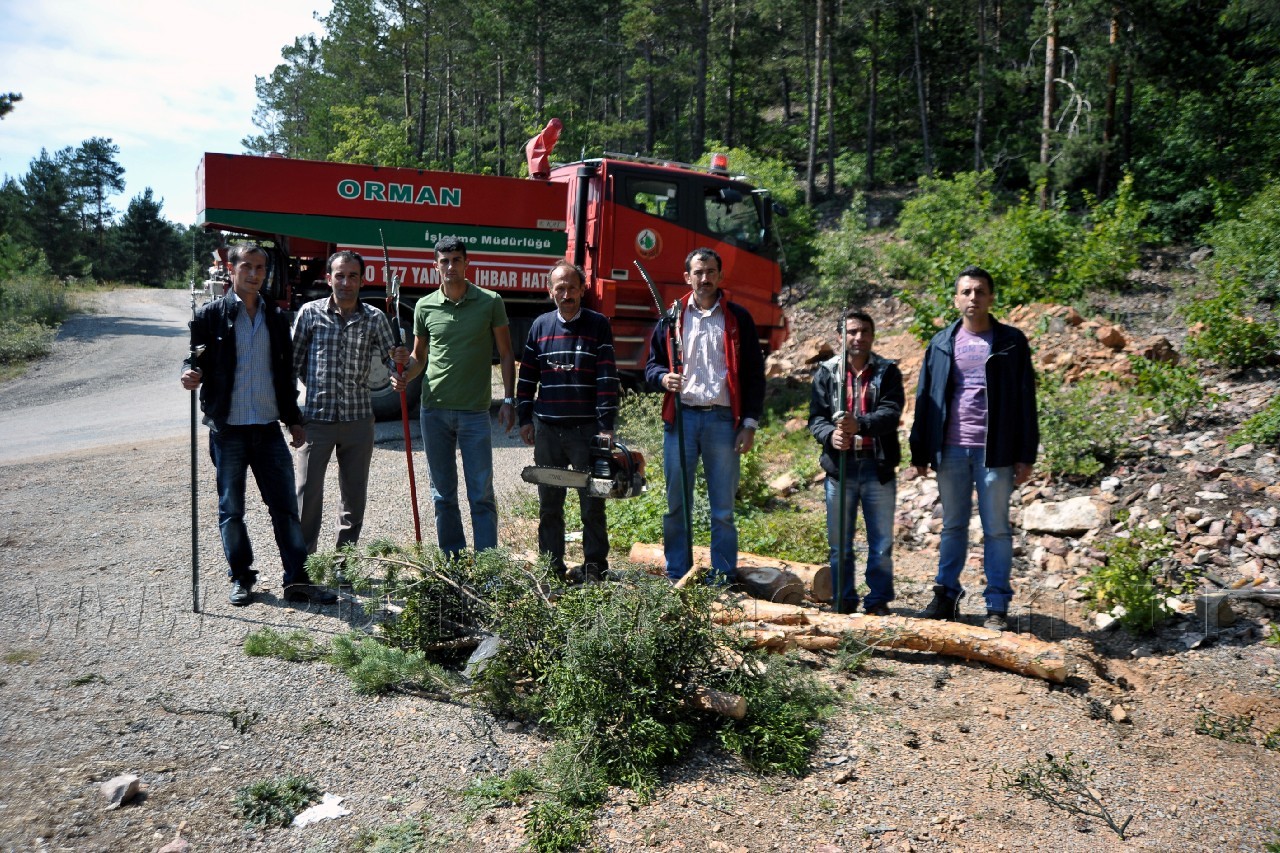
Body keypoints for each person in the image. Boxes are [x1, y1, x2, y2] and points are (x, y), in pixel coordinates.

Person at [180, 244, 337, 607]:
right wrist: (190, 374)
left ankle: (298, 580)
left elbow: (284, 375)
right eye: (247, 267)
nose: (254, 274)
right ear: (231, 271)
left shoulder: (277, 319)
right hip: (228, 430)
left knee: (284, 507)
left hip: (268, 430)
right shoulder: (210, 317)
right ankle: (242, 578)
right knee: (231, 510)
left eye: (261, 268)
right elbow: (195, 359)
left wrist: (293, 420)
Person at [909, 266, 1038, 632]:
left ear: (991, 297)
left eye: (979, 292)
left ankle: (996, 605)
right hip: (950, 449)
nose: (973, 298)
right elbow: (925, 399)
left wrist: (1025, 454)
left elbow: (1026, 400)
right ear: (956, 298)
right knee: (952, 526)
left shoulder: (1011, 342)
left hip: (994, 451)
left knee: (996, 529)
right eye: (966, 292)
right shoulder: (940, 343)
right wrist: (920, 450)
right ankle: (946, 596)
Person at [644, 247, 765, 583]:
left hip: (723, 422)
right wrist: (662, 378)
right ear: (688, 277)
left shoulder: (737, 318)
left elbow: (755, 374)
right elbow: (650, 365)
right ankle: (678, 573)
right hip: (681, 420)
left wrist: (750, 424)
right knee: (676, 505)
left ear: (720, 275)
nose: (705, 278)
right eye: (698, 272)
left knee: (723, 509)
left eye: (711, 271)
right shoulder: (673, 318)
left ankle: (723, 575)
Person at [392, 237, 516, 556]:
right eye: (444, 261)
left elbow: (505, 353)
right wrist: (405, 373)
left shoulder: (491, 301)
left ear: (467, 263)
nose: (450, 267)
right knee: (442, 494)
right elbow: (420, 358)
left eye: (456, 260)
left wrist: (509, 400)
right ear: (436, 266)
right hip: (434, 411)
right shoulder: (424, 306)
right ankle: (454, 561)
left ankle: (488, 566)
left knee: (481, 493)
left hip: (474, 413)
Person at [291, 250, 408, 556]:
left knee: (354, 498)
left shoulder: (375, 318)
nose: (345, 282)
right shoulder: (309, 313)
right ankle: (305, 565)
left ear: (362, 280)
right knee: (306, 495)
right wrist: (291, 414)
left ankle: (345, 561)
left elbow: (393, 361)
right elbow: (292, 364)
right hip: (316, 420)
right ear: (328, 278)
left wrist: (400, 364)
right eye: (339, 275)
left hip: (358, 421)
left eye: (352, 276)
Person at [516, 260, 619, 582]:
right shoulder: (540, 326)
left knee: (592, 503)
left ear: (582, 289)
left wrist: (606, 427)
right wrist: (524, 418)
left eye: (572, 287)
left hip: (586, 431)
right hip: (548, 431)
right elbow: (528, 376)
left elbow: (606, 377)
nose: (566, 293)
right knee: (549, 505)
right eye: (559, 288)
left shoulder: (597, 325)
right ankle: (552, 567)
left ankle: (595, 569)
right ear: (551, 292)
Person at [808, 310, 903, 615]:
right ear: (841, 337)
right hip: (840, 469)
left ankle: (877, 603)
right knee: (840, 544)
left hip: (877, 467)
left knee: (881, 544)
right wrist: (829, 437)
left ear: (873, 336)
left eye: (864, 331)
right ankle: (843, 600)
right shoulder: (826, 372)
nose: (858, 337)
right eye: (852, 332)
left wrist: (859, 425)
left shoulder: (887, 371)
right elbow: (816, 418)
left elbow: (890, 414)